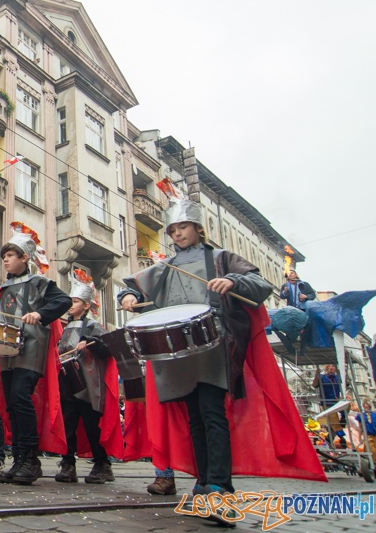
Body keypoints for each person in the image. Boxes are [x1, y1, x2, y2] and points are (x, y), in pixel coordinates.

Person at [119, 194, 325, 499]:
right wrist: (127, 296)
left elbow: (258, 283)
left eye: (184, 226)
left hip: (214, 345)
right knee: (195, 418)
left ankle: (219, 484)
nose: (177, 233)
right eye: (173, 229)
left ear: (199, 228)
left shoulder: (222, 258)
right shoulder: (165, 267)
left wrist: (232, 281)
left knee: (212, 412)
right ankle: (203, 481)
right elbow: (132, 285)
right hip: (178, 355)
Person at [0, 221, 71, 485]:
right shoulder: (3, 287)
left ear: (25, 258)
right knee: (12, 402)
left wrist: (40, 313)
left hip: (31, 348)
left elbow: (64, 301)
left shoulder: (39, 282)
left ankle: (31, 459)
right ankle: (19, 457)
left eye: (10, 256)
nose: (5, 260)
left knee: (21, 397)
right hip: (6, 350)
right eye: (3, 257)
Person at [55, 269, 122, 484]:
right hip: (67, 384)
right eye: (70, 301)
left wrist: (91, 341)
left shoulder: (94, 326)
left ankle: (103, 465)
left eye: (75, 301)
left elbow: (107, 348)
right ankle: (68, 465)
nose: (71, 305)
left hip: (88, 387)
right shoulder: (64, 328)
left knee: (93, 427)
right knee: (67, 425)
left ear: (85, 305)